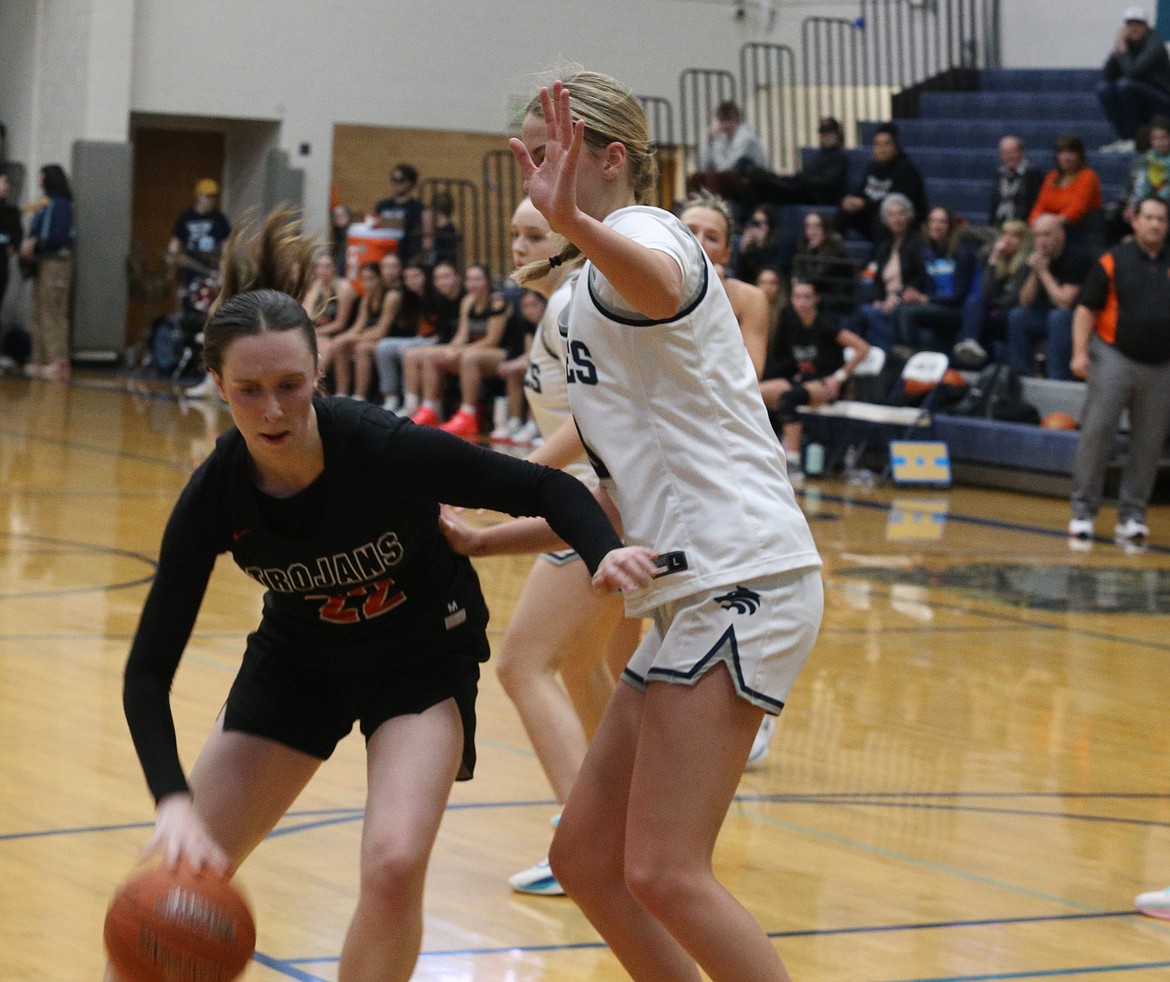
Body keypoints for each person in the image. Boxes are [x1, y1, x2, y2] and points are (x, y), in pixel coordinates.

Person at [114, 207, 652, 982]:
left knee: (395, 864)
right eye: (250, 391)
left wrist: (605, 555)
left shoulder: (385, 447)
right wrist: (170, 801)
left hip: (421, 659)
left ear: (319, 375)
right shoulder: (216, 496)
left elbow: (540, 488)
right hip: (297, 666)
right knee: (163, 888)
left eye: (290, 386)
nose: (273, 411)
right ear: (218, 386)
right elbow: (146, 674)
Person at [501, 73, 823, 982]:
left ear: (611, 160)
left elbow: (658, 280)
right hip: (693, 588)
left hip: (744, 574)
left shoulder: (652, 235)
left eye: (555, 149)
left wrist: (575, 225)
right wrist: (484, 536)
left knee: (665, 871)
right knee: (586, 862)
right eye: (528, 151)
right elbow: (612, 499)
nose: (537, 170)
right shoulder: (581, 306)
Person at [444, 195, 643, 897]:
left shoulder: (570, 308)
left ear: (569, 243)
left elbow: (593, 422)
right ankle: (618, 824)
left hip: (597, 504)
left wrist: (514, 480)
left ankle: (583, 841)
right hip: (603, 500)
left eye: (534, 235)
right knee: (582, 664)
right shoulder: (561, 306)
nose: (519, 246)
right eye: (516, 233)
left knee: (523, 664)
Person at [1067, 195, 1170, 545]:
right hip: (1114, 356)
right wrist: (1080, 352)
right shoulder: (1113, 260)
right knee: (1097, 433)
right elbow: (1085, 310)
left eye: (1161, 219)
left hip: (1161, 365)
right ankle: (1083, 512)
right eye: (1150, 218)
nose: (1156, 224)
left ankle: (1133, 517)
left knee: (1149, 443)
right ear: (1135, 221)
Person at [761, 279, 870, 484]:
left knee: (789, 398)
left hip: (826, 383)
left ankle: (792, 461)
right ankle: (761, 453)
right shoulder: (789, 323)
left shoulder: (826, 324)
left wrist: (839, 377)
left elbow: (863, 348)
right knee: (755, 392)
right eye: (797, 297)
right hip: (802, 381)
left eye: (807, 297)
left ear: (816, 299)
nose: (801, 302)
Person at [404, 263, 510, 435]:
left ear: (487, 282)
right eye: (469, 280)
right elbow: (462, 335)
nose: (472, 284)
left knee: (468, 357)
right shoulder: (468, 301)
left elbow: (492, 340)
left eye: (477, 279)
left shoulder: (497, 301)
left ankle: (468, 416)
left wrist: (460, 351)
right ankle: (429, 410)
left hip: (503, 353)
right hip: (476, 352)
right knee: (432, 355)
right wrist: (448, 349)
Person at [679, 191, 768, 376]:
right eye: (689, 231)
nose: (698, 241)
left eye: (712, 238)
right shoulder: (652, 284)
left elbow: (752, 373)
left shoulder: (750, 298)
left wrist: (712, 300)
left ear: (726, 255)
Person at [1006, 213, 1095, 380]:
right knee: (1018, 316)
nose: (1041, 241)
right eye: (1037, 235)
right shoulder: (1035, 259)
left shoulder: (1077, 257)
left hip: (1078, 319)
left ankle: (1058, 379)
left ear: (1060, 235)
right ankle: (1020, 377)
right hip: (1047, 315)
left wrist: (1043, 273)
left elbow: (1064, 303)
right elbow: (1025, 302)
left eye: (1047, 234)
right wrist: (1034, 272)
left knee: (1058, 317)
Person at [889, 205, 979, 353]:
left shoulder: (963, 253)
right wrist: (909, 293)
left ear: (950, 226)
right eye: (933, 221)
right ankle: (902, 354)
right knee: (898, 309)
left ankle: (912, 354)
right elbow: (924, 285)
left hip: (957, 309)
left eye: (942, 222)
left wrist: (924, 299)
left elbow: (959, 296)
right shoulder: (927, 252)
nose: (936, 226)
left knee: (907, 313)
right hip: (936, 306)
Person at [173, 180, 233, 400]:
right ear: (197, 196)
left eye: (213, 196)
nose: (210, 200)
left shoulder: (220, 220)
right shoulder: (185, 218)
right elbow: (174, 248)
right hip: (191, 279)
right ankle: (199, 372)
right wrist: (173, 258)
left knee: (212, 324)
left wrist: (223, 278)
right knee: (194, 324)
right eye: (207, 196)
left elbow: (227, 251)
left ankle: (212, 378)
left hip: (212, 278)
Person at [854, 193, 931, 353]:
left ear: (909, 216)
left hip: (906, 302)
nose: (896, 219)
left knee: (866, 314)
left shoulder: (918, 243)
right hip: (885, 303)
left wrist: (898, 299)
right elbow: (875, 279)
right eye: (891, 215)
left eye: (901, 213)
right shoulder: (884, 246)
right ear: (886, 220)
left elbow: (920, 278)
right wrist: (877, 299)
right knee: (864, 310)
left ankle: (889, 355)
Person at [18, 164, 74, 382]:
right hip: (41, 263)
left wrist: (36, 244)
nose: (38, 180)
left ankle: (57, 359)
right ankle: (40, 358)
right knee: (39, 311)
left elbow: (57, 236)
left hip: (55, 262)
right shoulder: (44, 204)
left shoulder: (60, 205)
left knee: (54, 310)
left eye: (40, 176)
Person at [953, 218, 1032, 367]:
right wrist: (994, 259)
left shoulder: (1027, 263)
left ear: (1023, 241)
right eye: (1005, 235)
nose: (1007, 240)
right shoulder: (999, 260)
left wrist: (994, 306)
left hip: (1015, 311)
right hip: (997, 309)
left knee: (978, 316)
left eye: (1014, 236)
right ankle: (971, 344)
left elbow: (1014, 298)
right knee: (974, 302)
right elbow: (987, 291)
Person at [836, 122, 927, 243]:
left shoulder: (906, 170)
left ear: (896, 147)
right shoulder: (873, 167)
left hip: (904, 223)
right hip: (873, 217)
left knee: (885, 214)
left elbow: (896, 202)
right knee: (846, 208)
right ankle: (833, 246)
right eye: (877, 145)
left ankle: (880, 258)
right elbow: (861, 192)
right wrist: (852, 200)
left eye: (886, 144)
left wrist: (864, 204)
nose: (881, 149)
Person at [1097, 7, 1170, 149]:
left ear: (1146, 27)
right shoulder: (1126, 44)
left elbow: (1133, 73)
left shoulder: (1154, 44)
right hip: (1138, 96)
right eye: (1130, 25)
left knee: (1125, 86)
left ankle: (1135, 137)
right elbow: (1106, 75)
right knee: (1103, 88)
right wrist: (1117, 48)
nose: (1134, 29)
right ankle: (1125, 138)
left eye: (1138, 25)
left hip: (1162, 99)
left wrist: (1122, 50)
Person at [325, 261, 398, 399]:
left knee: (361, 349)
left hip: (388, 339)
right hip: (370, 338)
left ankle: (360, 396)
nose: (367, 284)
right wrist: (343, 338)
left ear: (380, 278)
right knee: (340, 346)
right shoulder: (367, 298)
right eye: (364, 280)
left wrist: (350, 338)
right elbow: (358, 326)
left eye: (371, 279)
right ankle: (342, 394)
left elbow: (381, 331)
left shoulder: (391, 297)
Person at [746, 116, 848, 207]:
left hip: (816, 196)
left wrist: (801, 180)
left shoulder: (839, 157)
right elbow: (808, 174)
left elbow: (825, 183)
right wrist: (792, 178)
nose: (825, 137)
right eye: (823, 134)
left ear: (837, 135)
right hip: (803, 190)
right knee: (758, 180)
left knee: (761, 185)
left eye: (829, 133)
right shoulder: (821, 155)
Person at [372, 262, 433, 413]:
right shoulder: (409, 297)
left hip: (438, 339)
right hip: (420, 338)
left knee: (406, 350)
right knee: (383, 346)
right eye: (407, 277)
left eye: (416, 276)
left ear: (426, 277)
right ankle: (390, 398)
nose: (411, 280)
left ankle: (410, 403)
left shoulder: (435, 295)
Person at [686, 100, 769, 202]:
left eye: (728, 120)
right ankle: (692, 205)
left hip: (750, 180)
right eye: (722, 120)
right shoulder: (721, 137)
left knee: (714, 177)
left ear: (737, 119)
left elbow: (727, 167)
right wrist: (710, 142)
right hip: (729, 177)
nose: (725, 124)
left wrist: (716, 151)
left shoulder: (746, 137)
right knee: (695, 177)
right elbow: (702, 166)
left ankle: (714, 205)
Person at [1028, 134, 1104, 246]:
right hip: (1051, 230)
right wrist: (1033, 222)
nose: (1066, 157)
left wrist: (1050, 224)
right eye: (1062, 153)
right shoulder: (1051, 177)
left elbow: (1077, 210)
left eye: (1071, 153)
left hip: (1080, 232)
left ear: (1079, 155)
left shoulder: (1088, 176)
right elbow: (1040, 206)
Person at [790, 210, 854, 318]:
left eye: (816, 226)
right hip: (810, 294)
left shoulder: (836, 246)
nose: (812, 231)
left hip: (832, 297)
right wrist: (796, 280)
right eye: (808, 226)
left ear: (825, 228)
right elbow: (797, 270)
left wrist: (813, 251)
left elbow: (821, 276)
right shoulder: (804, 246)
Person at [303, 251, 357, 375]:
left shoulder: (344, 288)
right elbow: (306, 314)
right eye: (319, 266)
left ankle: (314, 383)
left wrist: (315, 332)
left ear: (334, 269)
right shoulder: (315, 287)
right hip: (322, 332)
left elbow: (340, 324)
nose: (323, 270)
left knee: (327, 346)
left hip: (342, 332)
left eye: (327, 266)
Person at [988, 135, 1045, 227]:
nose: (1008, 157)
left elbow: (1036, 204)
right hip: (999, 226)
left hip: (1022, 228)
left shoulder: (1033, 174)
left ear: (1021, 152)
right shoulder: (998, 175)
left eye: (1012, 152)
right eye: (1004, 153)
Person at [373, 163, 424, 263]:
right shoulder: (382, 205)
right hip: (384, 252)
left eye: (400, 180)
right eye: (393, 180)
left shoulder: (417, 208)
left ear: (410, 183)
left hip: (406, 254)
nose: (395, 184)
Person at [732, 203, 785, 288]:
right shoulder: (748, 246)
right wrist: (743, 250)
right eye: (755, 222)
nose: (757, 227)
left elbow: (770, 272)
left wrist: (761, 245)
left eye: (761, 223)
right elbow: (738, 273)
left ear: (770, 226)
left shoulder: (777, 246)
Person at [0, 173, 22, 315]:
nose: (5, 186)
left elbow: (17, 233)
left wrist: (13, 244)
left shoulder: (10, 211)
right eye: (2, 182)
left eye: (5, 182)